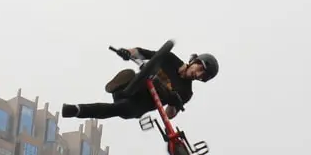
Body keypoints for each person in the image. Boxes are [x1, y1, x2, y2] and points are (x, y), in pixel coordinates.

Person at [61, 46, 219, 121]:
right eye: (200, 69)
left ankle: (77, 110)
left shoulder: (186, 92)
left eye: (202, 76)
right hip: (133, 86)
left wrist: (174, 104)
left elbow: (169, 115)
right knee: (143, 76)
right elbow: (141, 52)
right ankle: (123, 83)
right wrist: (127, 52)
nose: (198, 75)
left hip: (138, 105)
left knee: (116, 109)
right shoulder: (170, 58)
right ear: (195, 61)